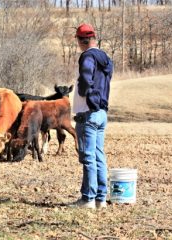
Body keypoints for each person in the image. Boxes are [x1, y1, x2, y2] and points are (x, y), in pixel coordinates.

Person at [71, 23, 113, 209]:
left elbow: (86, 78)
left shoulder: (87, 56)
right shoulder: (105, 58)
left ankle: (88, 198)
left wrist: (83, 92)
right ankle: (100, 199)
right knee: (98, 156)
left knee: (88, 157)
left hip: (89, 113)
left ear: (82, 40)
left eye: (79, 41)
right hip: (102, 113)